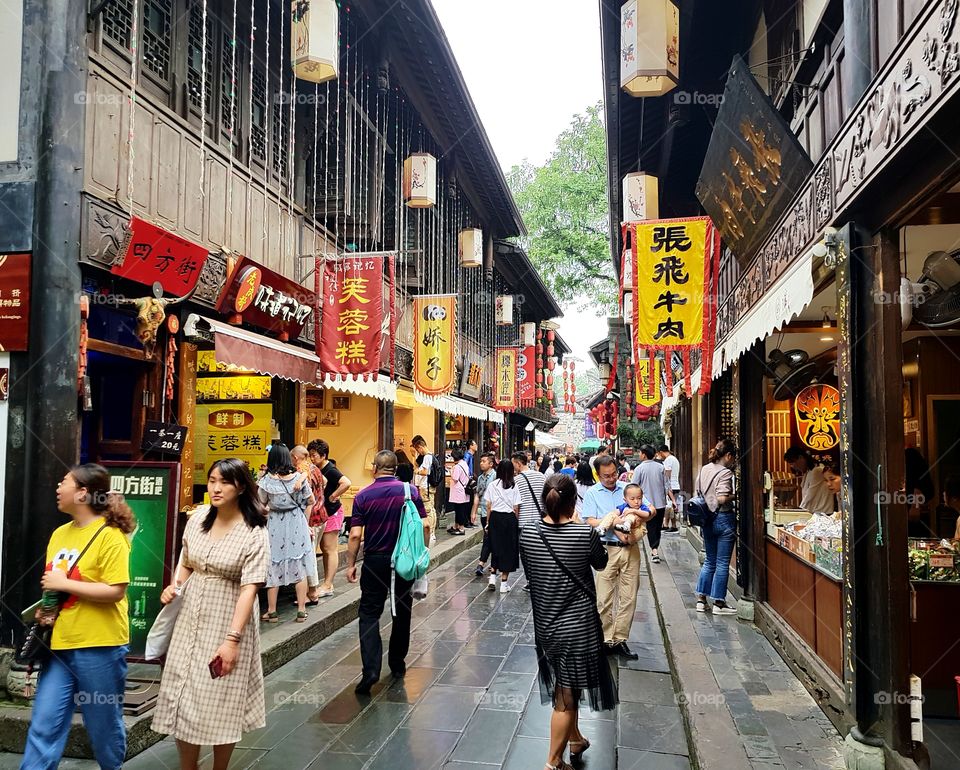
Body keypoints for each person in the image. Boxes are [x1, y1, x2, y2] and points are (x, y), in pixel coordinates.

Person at [153, 458, 270, 770]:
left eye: (225, 482)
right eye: (213, 480)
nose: (216, 488)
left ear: (241, 486)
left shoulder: (254, 530)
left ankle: (221, 767)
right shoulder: (199, 517)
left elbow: (250, 588)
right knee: (183, 691)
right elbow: (187, 560)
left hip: (228, 618)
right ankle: (188, 766)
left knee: (220, 693)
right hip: (190, 615)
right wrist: (174, 586)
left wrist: (232, 640)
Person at [21, 464, 135, 770]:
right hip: (59, 643)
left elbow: (115, 591)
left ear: (83, 493)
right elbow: (54, 589)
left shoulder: (111, 536)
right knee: (44, 721)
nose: (58, 488)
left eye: (64, 483)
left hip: (100, 645)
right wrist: (48, 610)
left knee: (102, 727)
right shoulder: (60, 534)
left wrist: (64, 584)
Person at [520, 474, 618, 770]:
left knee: (568, 685)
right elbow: (600, 563)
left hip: (546, 625)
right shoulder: (582, 534)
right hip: (579, 627)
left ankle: (575, 739)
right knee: (565, 697)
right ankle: (552, 762)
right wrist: (583, 525)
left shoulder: (527, 533)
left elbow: (532, 570)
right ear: (574, 501)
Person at [345, 451, 429, 694]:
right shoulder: (410, 492)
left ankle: (371, 669)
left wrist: (351, 563)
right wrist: (421, 555)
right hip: (403, 562)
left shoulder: (363, 496)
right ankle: (397, 663)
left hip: (374, 561)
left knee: (369, 614)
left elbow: (355, 535)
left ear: (375, 469)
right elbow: (424, 525)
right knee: (401, 612)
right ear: (395, 468)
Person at [582, 455, 649, 659]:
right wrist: (612, 521)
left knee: (629, 597)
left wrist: (637, 515)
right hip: (606, 549)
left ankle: (620, 639)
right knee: (603, 598)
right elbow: (590, 521)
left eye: (613, 474)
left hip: (630, 549)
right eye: (606, 476)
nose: (611, 479)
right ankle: (605, 638)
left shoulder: (628, 489)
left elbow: (649, 510)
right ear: (598, 474)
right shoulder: (592, 493)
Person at [258, 443, 315, 623]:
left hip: (275, 523)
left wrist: (271, 508)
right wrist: (305, 521)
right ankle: (301, 611)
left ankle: (272, 612)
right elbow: (311, 500)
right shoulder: (299, 478)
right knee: (299, 565)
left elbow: (260, 505)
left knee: (273, 565)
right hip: (297, 521)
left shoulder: (266, 481)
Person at [694, 439, 739, 615]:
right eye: (733, 457)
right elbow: (721, 498)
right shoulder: (725, 473)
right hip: (723, 518)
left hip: (707, 518)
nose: (733, 461)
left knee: (710, 560)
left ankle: (701, 599)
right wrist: (734, 497)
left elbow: (699, 491)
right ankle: (719, 603)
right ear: (728, 456)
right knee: (721, 562)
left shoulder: (705, 468)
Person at [308, 439, 350, 596]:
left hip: (332, 512)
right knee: (325, 549)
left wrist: (333, 496)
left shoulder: (330, 469)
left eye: (314, 455)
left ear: (323, 455)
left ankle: (328, 584)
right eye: (310, 455)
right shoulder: (317, 469)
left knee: (329, 549)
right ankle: (325, 583)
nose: (312, 459)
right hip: (324, 513)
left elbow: (346, 483)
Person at [483, 459, 521, 593]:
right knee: (508, 550)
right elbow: (516, 507)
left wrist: (488, 522)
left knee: (495, 547)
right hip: (509, 519)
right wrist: (515, 521)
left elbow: (488, 506)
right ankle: (504, 584)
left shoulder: (493, 485)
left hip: (495, 518)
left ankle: (492, 578)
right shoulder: (514, 486)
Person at [291, 445, 323, 604]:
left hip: (311, 519)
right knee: (310, 555)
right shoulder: (314, 468)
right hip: (321, 515)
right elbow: (325, 481)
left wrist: (305, 524)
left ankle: (312, 592)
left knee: (308, 557)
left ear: (295, 458)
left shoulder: (301, 473)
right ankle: (312, 591)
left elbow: (307, 499)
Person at [632, 445, 668, 564]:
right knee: (657, 527)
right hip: (660, 502)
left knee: (651, 527)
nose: (639, 455)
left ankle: (654, 550)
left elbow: (634, 486)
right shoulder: (660, 467)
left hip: (647, 504)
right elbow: (666, 485)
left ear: (644, 454)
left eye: (640, 453)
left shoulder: (639, 469)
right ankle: (654, 549)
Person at [784, 446, 834, 515]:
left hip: (823, 514)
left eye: (792, 463)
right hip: (815, 514)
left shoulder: (817, 471)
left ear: (801, 458)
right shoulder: (808, 472)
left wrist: (799, 511)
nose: (792, 466)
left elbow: (809, 496)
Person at [473, 452, 497, 576]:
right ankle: (494, 564)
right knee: (489, 537)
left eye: (484, 461)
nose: (481, 463)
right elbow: (477, 494)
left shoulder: (495, 477)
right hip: (483, 512)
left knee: (487, 538)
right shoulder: (481, 478)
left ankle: (481, 564)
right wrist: (473, 511)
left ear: (491, 464)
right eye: (481, 461)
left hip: (493, 512)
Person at [412, 435, 439, 546]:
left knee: (428, 510)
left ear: (420, 447)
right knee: (430, 509)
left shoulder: (427, 457)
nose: (418, 452)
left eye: (417, 449)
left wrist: (416, 471)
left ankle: (431, 533)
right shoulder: (431, 456)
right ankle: (432, 532)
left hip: (426, 487)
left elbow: (424, 472)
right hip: (429, 487)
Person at [905, 447, 936, 537]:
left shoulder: (910, 455)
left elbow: (927, 488)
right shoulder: (910, 455)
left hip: (915, 516)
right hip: (913, 514)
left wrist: (915, 504)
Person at [447, 448, 471, 536]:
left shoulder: (457, 467)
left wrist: (451, 470)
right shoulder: (464, 464)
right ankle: (456, 526)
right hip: (462, 490)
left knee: (459, 510)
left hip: (458, 491)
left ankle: (461, 528)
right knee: (459, 509)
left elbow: (455, 478)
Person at [658, 444, 681, 532]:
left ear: (661, 452)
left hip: (671, 486)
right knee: (671, 506)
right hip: (676, 485)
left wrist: (666, 486)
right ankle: (668, 525)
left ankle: (671, 525)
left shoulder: (668, 460)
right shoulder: (674, 459)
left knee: (670, 507)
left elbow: (667, 476)